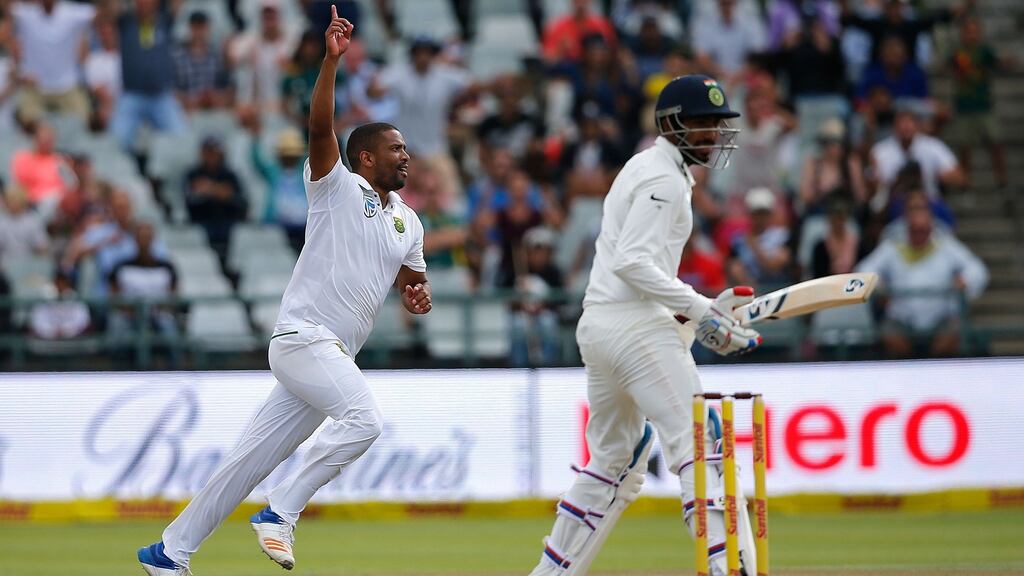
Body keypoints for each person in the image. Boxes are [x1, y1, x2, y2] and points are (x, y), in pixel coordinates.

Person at [137, 9, 431, 575]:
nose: (407, 156)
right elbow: (321, 128)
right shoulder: (335, 187)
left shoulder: (410, 222)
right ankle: (281, 512)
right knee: (364, 422)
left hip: (331, 354)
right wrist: (330, 61)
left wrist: (418, 294)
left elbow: (411, 279)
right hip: (303, 339)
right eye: (396, 149)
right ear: (365, 156)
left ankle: (168, 553)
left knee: (245, 463)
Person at [528, 74, 761, 576]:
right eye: (702, 125)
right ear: (672, 124)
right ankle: (730, 570)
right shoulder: (663, 179)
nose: (714, 135)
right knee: (703, 448)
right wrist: (701, 312)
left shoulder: (649, 166)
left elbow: (637, 269)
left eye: (718, 125)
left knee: (615, 462)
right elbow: (634, 264)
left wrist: (691, 314)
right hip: (634, 328)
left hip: (603, 326)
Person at [856, 189, 987, 358]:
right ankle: (907, 372)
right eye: (915, 230)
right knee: (888, 333)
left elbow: (978, 270)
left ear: (930, 220)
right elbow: (863, 270)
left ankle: (935, 372)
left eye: (923, 230)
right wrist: (878, 285)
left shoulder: (944, 243)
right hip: (901, 320)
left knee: (954, 330)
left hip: (940, 320)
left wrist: (964, 281)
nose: (919, 234)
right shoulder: (893, 243)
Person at [948, 16, 1010, 190]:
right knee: (965, 145)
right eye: (968, 31)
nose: (971, 35)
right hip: (964, 106)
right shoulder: (957, 53)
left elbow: (998, 63)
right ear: (962, 33)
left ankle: (1001, 177)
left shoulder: (985, 51)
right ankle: (965, 178)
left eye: (975, 31)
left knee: (995, 141)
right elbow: (945, 66)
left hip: (984, 105)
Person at [9, 0, 95, 124]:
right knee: (24, 122)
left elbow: (103, 14)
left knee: (84, 122)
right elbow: (6, 7)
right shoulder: (26, 12)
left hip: (67, 86)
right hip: (34, 86)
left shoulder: (73, 12)